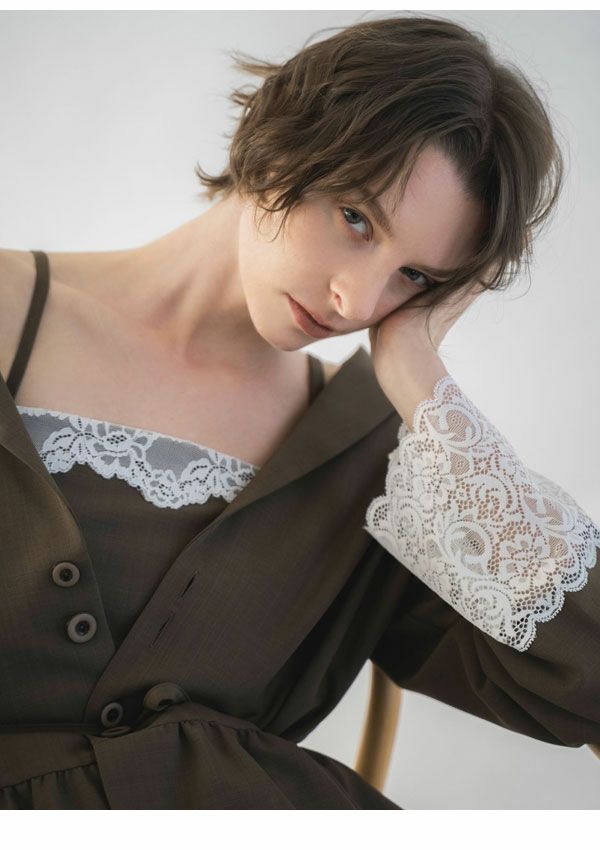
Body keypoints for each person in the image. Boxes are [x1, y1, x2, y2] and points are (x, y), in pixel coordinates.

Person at [0, 13, 598, 810]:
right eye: (356, 219)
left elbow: (581, 684)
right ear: (279, 140)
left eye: (416, 277)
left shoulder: (378, 457)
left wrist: (422, 381)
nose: (360, 300)